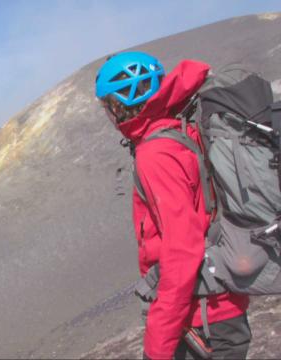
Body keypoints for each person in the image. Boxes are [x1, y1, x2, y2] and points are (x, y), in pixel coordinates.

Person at [95, 52, 251, 359]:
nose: (109, 115)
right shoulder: (181, 127)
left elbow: (181, 251)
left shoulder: (157, 153)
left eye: (108, 105)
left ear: (120, 103)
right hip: (219, 307)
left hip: (202, 321)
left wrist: (158, 345)